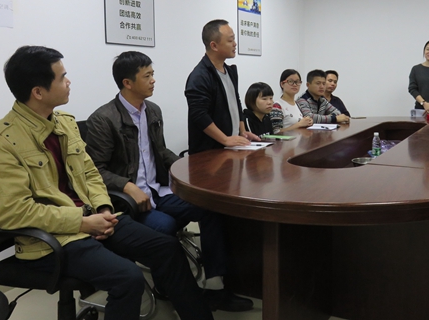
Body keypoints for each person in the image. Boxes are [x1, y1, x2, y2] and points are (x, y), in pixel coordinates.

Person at [0, 46, 213, 320]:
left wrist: (103, 208)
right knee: (128, 278)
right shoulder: (0, 143)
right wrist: (82, 222)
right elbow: (12, 213)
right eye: (62, 77)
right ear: (38, 92)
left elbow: (91, 174)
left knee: (166, 247)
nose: (69, 82)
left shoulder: (64, 123)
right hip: (55, 239)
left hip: (94, 219)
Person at [86, 51, 253, 312]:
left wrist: (189, 169)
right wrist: (128, 186)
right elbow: (95, 170)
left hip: (159, 191)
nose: (153, 80)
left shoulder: (152, 110)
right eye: (147, 76)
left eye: (153, 74)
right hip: (128, 201)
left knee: (211, 207)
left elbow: (161, 152)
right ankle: (173, 290)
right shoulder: (103, 119)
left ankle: (215, 286)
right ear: (127, 82)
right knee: (164, 226)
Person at [185, 19, 259, 155]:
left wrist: (242, 131)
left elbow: (235, 102)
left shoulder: (229, 71)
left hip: (232, 148)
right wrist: (225, 139)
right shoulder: (200, 76)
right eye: (230, 40)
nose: (235, 44)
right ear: (214, 46)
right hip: (210, 152)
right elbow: (199, 115)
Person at [270, 69, 313, 133]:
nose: (295, 84)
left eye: (297, 82)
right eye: (290, 81)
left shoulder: (297, 104)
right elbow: (276, 132)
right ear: (282, 84)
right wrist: (299, 124)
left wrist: (307, 121)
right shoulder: (277, 106)